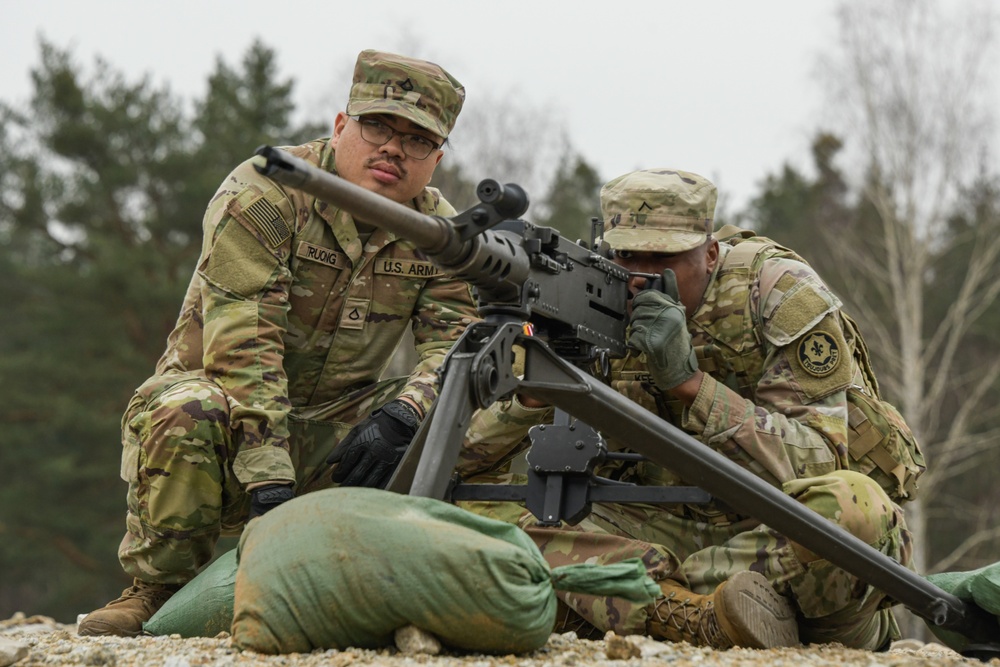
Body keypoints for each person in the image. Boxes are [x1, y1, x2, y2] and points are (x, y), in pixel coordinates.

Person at [78, 49, 479, 637]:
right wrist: (268, 478)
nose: (393, 148)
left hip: (338, 432)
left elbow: (457, 345)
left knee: (473, 414)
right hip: (226, 420)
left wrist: (405, 412)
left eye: (417, 139)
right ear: (342, 126)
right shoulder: (267, 191)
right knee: (183, 409)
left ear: (438, 158)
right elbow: (245, 341)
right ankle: (156, 587)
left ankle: (420, 582)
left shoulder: (440, 233)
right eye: (377, 126)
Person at [457, 168, 920, 651]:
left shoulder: (775, 292)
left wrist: (690, 384)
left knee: (855, 508)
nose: (640, 275)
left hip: (768, 534)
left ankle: (638, 603)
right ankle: (695, 613)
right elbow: (465, 456)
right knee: (479, 518)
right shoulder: (589, 292)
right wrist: (537, 389)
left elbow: (821, 459)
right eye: (627, 255)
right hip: (652, 530)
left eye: (664, 258)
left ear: (711, 253)